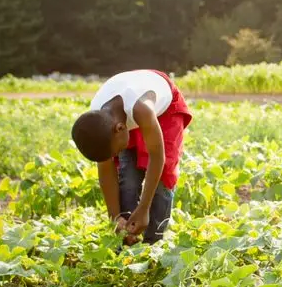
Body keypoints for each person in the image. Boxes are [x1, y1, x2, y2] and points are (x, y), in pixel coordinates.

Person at [71, 69, 193, 245]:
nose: (115, 158)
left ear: (120, 129)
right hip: (126, 109)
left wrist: (144, 208)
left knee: (162, 180)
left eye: (115, 152)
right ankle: (127, 236)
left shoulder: (142, 109)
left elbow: (157, 158)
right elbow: (106, 172)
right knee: (128, 175)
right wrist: (115, 217)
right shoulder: (99, 124)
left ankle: (154, 243)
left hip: (163, 110)